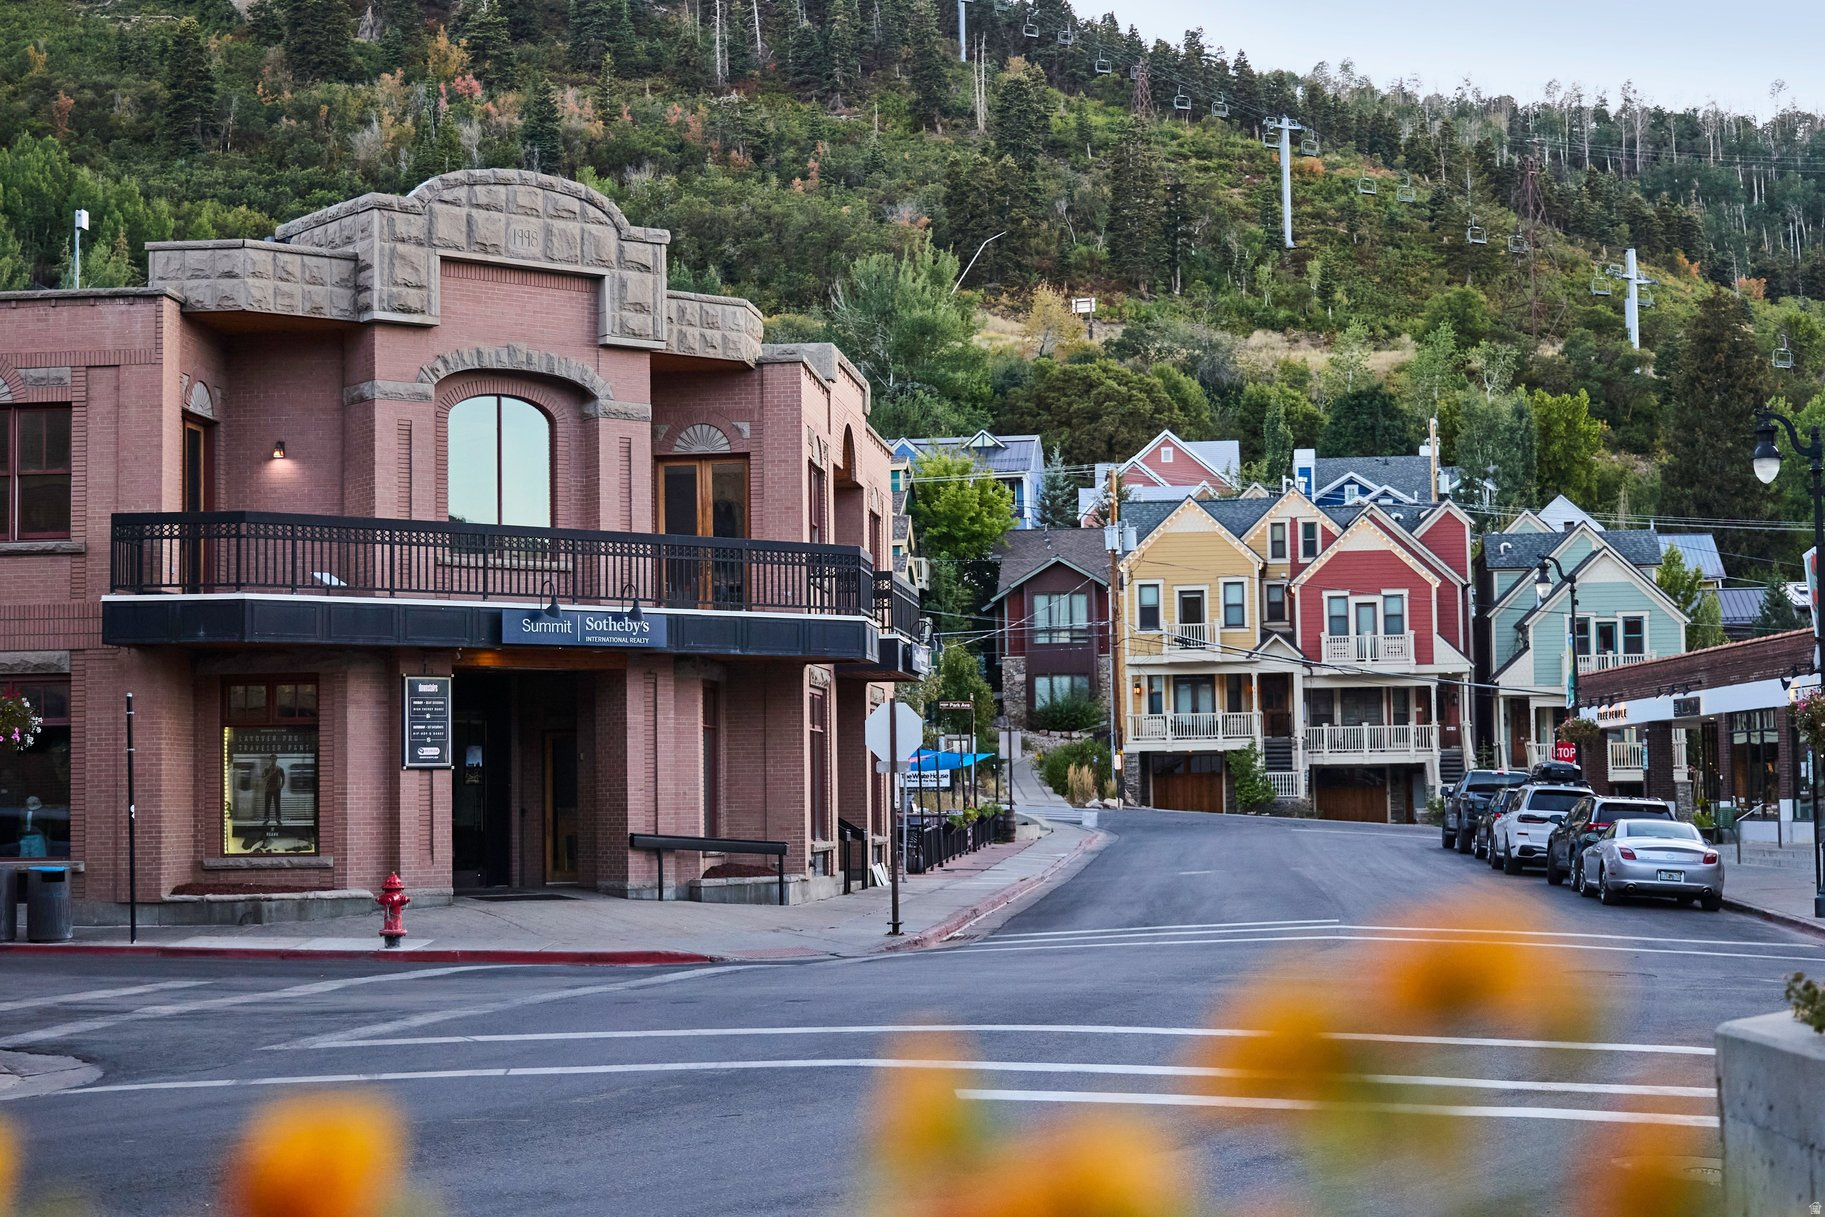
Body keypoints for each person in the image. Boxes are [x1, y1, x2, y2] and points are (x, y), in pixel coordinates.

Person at [260, 755, 286, 832]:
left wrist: (281, 786)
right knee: (267, 805)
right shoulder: (266, 769)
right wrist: (270, 773)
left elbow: (283, 778)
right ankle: (266, 820)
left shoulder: (280, 769)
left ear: (276, 760)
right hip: (268, 790)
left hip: (277, 790)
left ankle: (278, 820)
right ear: (270, 760)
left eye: (274, 759)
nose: (273, 760)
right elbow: (263, 779)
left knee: (277, 805)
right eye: (272, 759)